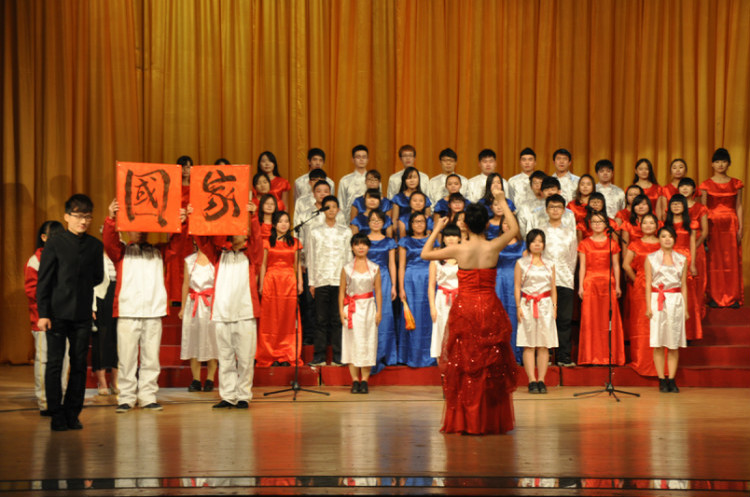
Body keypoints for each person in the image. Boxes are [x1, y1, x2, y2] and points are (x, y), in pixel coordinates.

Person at [420, 184, 519, 435]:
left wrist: (438, 229)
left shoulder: (458, 249)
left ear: (465, 224)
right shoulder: (493, 246)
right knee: (489, 364)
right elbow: (515, 230)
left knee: (465, 363)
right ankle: (489, 420)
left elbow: (425, 254)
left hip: (465, 308)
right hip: (489, 307)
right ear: (486, 223)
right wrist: (501, 200)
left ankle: (467, 420)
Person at [104, 200, 186, 413]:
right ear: (127, 229)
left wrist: (182, 223)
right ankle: (126, 397)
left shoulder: (159, 251)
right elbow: (109, 242)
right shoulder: (121, 253)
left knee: (151, 358)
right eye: (135, 228)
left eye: (143, 228)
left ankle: (148, 396)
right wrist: (111, 219)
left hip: (153, 311)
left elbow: (177, 245)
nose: (140, 232)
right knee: (127, 358)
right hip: (128, 310)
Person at [37, 194, 104, 431]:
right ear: (66, 217)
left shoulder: (95, 245)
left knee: (79, 364)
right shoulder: (55, 243)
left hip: (82, 314)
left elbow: (98, 277)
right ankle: (56, 413)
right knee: (54, 364)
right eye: (78, 216)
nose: (83, 221)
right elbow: (44, 280)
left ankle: (73, 413)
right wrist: (43, 313)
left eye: (88, 216)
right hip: (56, 313)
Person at [194, 203, 262, 409]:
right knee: (225, 357)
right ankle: (228, 395)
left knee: (245, 358)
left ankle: (243, 395)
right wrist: (195, 219)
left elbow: (258, 242)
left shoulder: (251, 255)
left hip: (245, 312)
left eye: (240, 230)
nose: (236, 234)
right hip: (222, 312)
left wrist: (252, 217)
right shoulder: (218, 254)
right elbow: (202, 241)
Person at [25, 221, 68, 415]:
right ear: (43, 238)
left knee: (64, 361)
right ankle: (45, 402)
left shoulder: (65, 257)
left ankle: (61, 399)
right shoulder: (35, 260)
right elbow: (33, 292)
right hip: (43, 319)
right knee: (44, 361)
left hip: (64, 318)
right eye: (54, 236)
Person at [307, 196, 353, 366]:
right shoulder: (315, 232)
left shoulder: (345, 232)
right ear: (323, 210)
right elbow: (311, 257)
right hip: (321, 279)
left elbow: (349, 257)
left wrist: (348, 282)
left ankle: (338, 356)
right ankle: (319, 356)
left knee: (337, 319)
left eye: (334, 207)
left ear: (338, 210)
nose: (331, 210)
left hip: (339, 281)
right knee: (320, 320)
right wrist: (312, 282)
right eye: (328, 207)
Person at [577, 212, 625, 366]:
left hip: (608, 283)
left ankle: (609, 356)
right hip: (590, 282)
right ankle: (591, 356)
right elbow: (582, 266)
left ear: (606, 224)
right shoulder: (584, 243)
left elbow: (616, 265)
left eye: (600, 222)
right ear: (590, 224)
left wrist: (618, 285)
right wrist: (580, 286)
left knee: (608, 319)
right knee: (591, 319)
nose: (597, 224)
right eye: (594, 222)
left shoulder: (613, 243)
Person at [535, 195, 578, 367]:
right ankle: (545, 355)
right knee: (545, 319)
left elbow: (573, 258)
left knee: (564, 319)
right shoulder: (540, 232)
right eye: (552, 207)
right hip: (543, 281)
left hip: (565, 279)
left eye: (558, 207)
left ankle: (563, 356)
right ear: (546, 210)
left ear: (564, 210)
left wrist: (569, 276)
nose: (555, 210)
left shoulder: (570, 233)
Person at [257, 211, 304, 367]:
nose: (284, 224)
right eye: (280, 221)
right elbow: (263, 264)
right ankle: (270, 354)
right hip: (271, 280)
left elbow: (297, 264)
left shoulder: (295, 242)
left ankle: (286, 353)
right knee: (270, 319)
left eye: (286, 221)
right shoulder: (266, 242)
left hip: (289, 281)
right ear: (274, 224)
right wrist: (261, 284)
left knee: (288, 319)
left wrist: (300, 282)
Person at [645, 227, 689, 393]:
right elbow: (648, 283)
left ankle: (671, 378)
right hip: (658, 299)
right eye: (663, 236)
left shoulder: (682, 259)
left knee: (673, 343)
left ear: (675, 239)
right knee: (658, 342)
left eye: (670, 236)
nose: (667, 239)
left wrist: (685, 308)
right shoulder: (651, 258)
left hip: (675, 300)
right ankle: (661, 379)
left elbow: (683, 285)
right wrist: (648, 306)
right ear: (659, 239)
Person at [699, 148, 744, 308]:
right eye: (717, 161)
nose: (720, 165)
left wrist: (741, 227)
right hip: (712, 225)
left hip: (731, 225)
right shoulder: (706, 184)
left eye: (724, 161)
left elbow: (739, 206)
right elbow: (703, 209)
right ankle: (714, 296)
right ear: (712, 164)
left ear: (729, 164)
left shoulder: (736, 183)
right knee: (714, 260)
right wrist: (704, 229)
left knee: (731, 260)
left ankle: (733, 297)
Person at [514, 229, 558, 394]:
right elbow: (517, 286)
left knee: (543, 345)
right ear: (529, 244)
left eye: (540, 241)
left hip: (545, 305)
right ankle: (532, 380)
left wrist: (554, 306)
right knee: (529, 344)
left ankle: (542, 380)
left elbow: (553, 287)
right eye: (534, 241)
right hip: (527, 304)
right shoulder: (521, 263)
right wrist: (518, 306)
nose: (537, 244)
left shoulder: (550, 264)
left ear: (544, 244)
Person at [339, 234, 382, 394]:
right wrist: (340, 311)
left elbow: (378, 291)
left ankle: (365, 380)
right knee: (352, 343)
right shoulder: (346, 268)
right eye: (357, 244)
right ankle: (355, 381)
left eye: (364, 244)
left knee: (368, 342)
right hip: (352, 309)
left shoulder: (375, 268)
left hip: (369, 307)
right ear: (352, 247)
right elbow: (341, 291)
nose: (360, 247)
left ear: (368, 247)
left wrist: (379, 311)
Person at [622, 213, 660, 376]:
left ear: (657, 225)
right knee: (641, 323)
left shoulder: (662, 243)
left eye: (651, 223)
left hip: (660, 286)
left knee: (658, 323)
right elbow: (626, 265)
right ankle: (641, 360)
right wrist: (637, 279)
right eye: (645, 223)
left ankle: (660, 364)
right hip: (641, 287)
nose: (648, 225)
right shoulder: (635, 244)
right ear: (640, 225)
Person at [397, 212, 435, 368]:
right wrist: (401, 288)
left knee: (429, 315)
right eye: (415, 222)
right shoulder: (405, 241)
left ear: (426, 224)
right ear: (410, 225)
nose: (419, 224)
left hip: (430, 279)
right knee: (412, 315)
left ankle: (430, 355)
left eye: (422, 221)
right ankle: (411, 355)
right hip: (411, 280)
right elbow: (401, 266)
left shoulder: (432, 240)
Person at [487, 210, 525, 363]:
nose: (507, 225)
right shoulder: (496, 242)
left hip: (517, 281)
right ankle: (497, 355)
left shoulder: (523, 244)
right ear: (500, 225)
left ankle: (516, 354)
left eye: (510, 223)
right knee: (498, 317)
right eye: (504, 223)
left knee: (516, 316)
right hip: (498, 281)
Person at [179, 247, 218, 392]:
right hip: (194, 303)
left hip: (211, 304)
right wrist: (183, 307)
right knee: (194, 341)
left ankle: (210, 378)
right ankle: (196, 379)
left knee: (212, 341)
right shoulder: (189, 261)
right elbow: (185, 284)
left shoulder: (215, 259)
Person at [663, 194, 701, 341]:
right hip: (669, 259)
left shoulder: (691, 224)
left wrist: (693, 264)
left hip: (685, 259)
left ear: (684, 206)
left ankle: (688, 333)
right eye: (674, 204)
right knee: (670, 295)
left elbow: (693, 245)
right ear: (669, 207)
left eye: (679, 204)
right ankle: (671, 333)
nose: (676, 206)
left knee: (687, 296)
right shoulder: (665, 224)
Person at [366, 210, 399, 373]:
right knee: (367, 316)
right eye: (373, 220)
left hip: (384, 278)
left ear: (384, 223)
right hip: (366, 279)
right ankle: (367, 355)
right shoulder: (363, 240)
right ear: (368, 222)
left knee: (385, 316)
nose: (376, 222)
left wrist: (393, 285)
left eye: (379, 220)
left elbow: (392, 264)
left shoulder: (389, 241)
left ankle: (386, 354)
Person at [428, 224, 461, 361]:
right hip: (442, 300)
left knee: (460, 332)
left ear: (460, 238)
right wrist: (432, 307)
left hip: (460, 298)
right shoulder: (436, 259)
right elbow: (431, 285)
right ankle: (443, 368)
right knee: (441, 331)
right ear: (443, 239)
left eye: (454, 235)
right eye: (448, 235)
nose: (451, 238)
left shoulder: (464, 257)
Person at [681, 178, 708, 320]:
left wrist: (693, 247)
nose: (685, 188)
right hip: (678, 249)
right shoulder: (674, 206)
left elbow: (704, 232)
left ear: (694, 190)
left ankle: (696, 315)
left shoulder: (701, 208)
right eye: (682, 186)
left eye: (688, 186)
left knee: (697, 281)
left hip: (697, 248)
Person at [92, 251, 118, 396]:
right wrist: (92, 306)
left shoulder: (122, 252)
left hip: (119, 297)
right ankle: (102, 382)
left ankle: (115, 382)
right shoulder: (96, 253)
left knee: (117, 339)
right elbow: (90, 281)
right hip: (100, 299)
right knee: (101, 338)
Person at [391, 167, 432, 232]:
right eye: (409, 178)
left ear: (419, 179)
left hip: (421, 230)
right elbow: (395, 219)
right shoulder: (398, 198)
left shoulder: (424, 198)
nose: (412, 181)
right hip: (402, 229)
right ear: (404, 180)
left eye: (414, 177)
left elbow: (428, 218)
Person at [338, 145, 370, 217]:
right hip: (349, 219)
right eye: (358, 157)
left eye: (364, 157)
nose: (361, 160)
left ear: (368, 159)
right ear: (352, 159)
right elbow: (341, 204)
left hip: (370, 219)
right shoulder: (345, 180)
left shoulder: (374, 180)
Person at [515, 171, 548, 237]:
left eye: (541, 182)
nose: (538, 185)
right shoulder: (524, 206)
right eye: (535, 183)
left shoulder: (551, 204)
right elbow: (522, 228)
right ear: (531, 186)